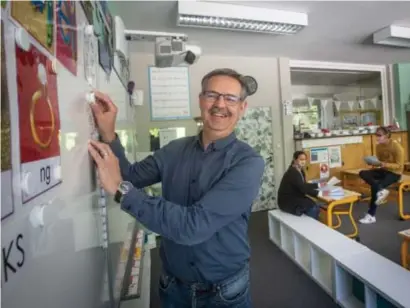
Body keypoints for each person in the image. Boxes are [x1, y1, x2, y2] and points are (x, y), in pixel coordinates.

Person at [87, 68, 265, 308]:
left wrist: (122, 190)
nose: (220, 104)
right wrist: (108, 133)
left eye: (231, 98)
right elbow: (130, 176)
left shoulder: (247, 163)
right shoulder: (174, 150)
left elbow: (193, 226)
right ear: (201, 100)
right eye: (212, 95)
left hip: (225, 292)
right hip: (173, 286)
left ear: (242, 108)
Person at [359, 126, 404, 224]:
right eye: (376, 135)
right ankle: (381, 190)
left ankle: (371, 215)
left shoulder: (397, 147)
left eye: (379, 135)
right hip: (383, 170)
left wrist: (385, 164)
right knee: (362, 173)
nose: (377, 137)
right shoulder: (378, 146)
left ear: (387, 135)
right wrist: (373, 163)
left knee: (375, 186)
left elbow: (400, 165)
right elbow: (379, 161)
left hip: (395, 173)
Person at [277, 151, 324, 220]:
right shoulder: (292, 172)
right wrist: (319, 193)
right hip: (286, 201)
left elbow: (304, 185)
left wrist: (319, 185)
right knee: (313, 206)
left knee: (315, 204)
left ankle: (314, 222)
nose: (303, 161)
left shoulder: (300, 171)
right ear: (295, 160)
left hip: (295, 197)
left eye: (304, 159)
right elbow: (303, 188)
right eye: (301, 159)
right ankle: (311, 226)